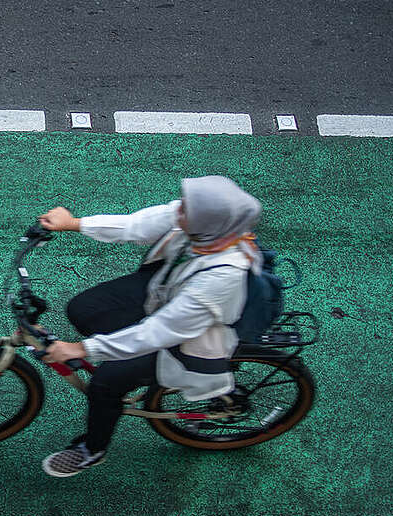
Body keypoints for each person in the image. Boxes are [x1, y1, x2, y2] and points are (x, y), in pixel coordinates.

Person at [37, 175, 263, 477]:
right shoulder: (204, 229)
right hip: (167, 289)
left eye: (186, 209)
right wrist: (74, 223)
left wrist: (81, 349)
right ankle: (128, 362)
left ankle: (92, 449)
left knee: (105, 384)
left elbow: (161, 331)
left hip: (189, 335)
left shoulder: (223, 276)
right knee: (83, 309)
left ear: (205, 223)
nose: (177, 209)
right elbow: (136, 225)